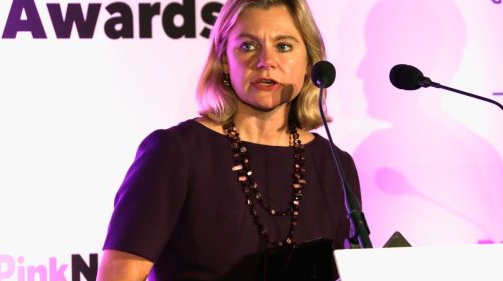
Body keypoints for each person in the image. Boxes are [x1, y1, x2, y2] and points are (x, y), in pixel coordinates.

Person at [97, 0, 361, 280]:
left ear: (309, 61)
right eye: (248, 46)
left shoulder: (335, 164)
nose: (265, 62)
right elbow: (118, 275)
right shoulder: (176, 152)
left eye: (283, 46)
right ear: (224, 59)